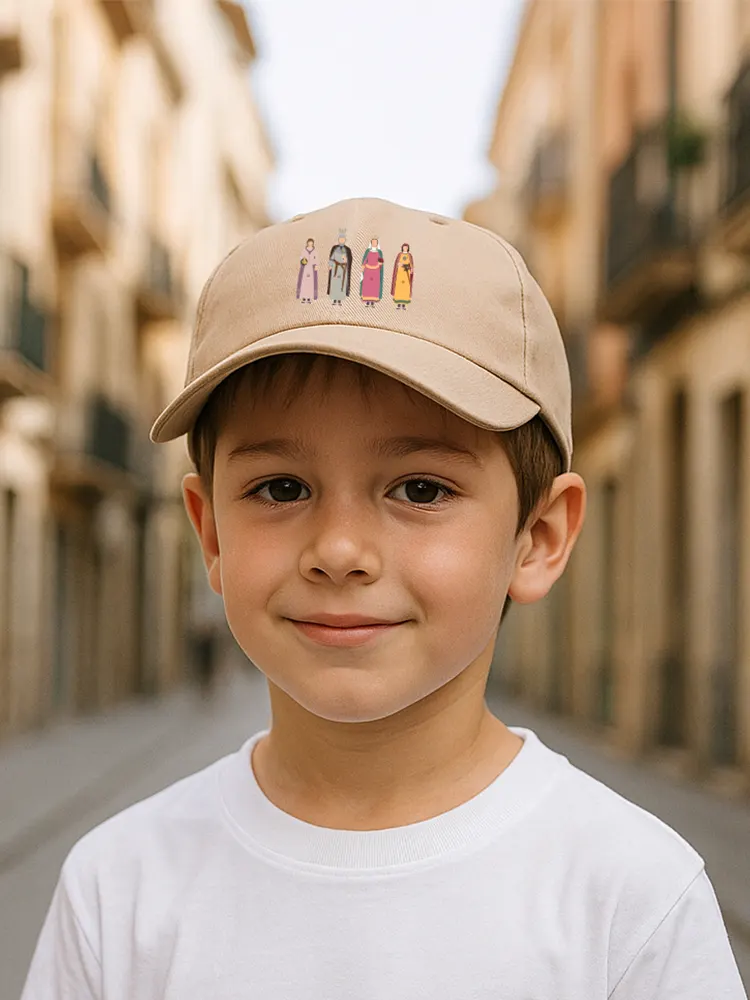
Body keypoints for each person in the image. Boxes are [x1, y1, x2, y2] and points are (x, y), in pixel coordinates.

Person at [20, 199, 747, 999]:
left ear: (538, 537)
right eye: (282, 487)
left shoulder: (632, 902)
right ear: (213, 533)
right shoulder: (117, 891)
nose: (339, 550)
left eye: (421, 488)